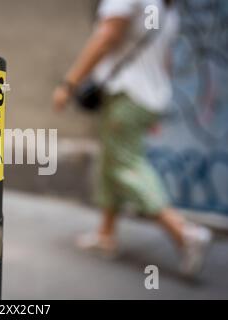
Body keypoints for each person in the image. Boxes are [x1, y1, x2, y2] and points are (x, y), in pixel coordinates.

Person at [52, 0, 212, 276]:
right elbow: (166, 61)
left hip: (126, 94)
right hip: (149, 97)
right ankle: (106, 234)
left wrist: (69, 83)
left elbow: (107, 36)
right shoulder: (168, 9)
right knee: (111, 162)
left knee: (125, 166)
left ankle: (185, 233)